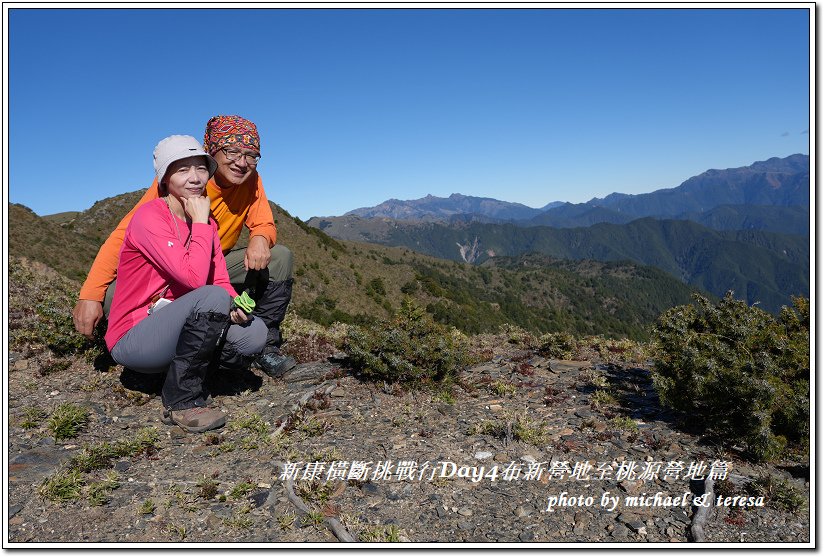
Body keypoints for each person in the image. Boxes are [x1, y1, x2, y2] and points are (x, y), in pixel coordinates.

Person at [73, 115, 296, 377]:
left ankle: (265, 348)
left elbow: (265, 222)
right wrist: (90, 295)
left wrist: (260, 237)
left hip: (215, 262)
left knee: (280, 257)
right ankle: (149, 349)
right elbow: (123, 236)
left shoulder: (251, 179)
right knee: (113, 298)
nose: (242, 162)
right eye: (232, 151)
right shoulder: (184, 183)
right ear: (213, 151)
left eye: (251, 154)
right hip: (172, 265)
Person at [106, 135, 268, 433]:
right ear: (165, 178)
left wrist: (235, 305)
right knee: (211, 297)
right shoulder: (150, 217)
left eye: (201, 168)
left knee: (254, 333)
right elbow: (194, 279)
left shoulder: (206, 221)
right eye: (182, 170)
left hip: (175, 323)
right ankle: (182, 399)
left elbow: (220, 278)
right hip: (134, 337)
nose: (194, 178)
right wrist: (202, 223)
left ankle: (186, 369)